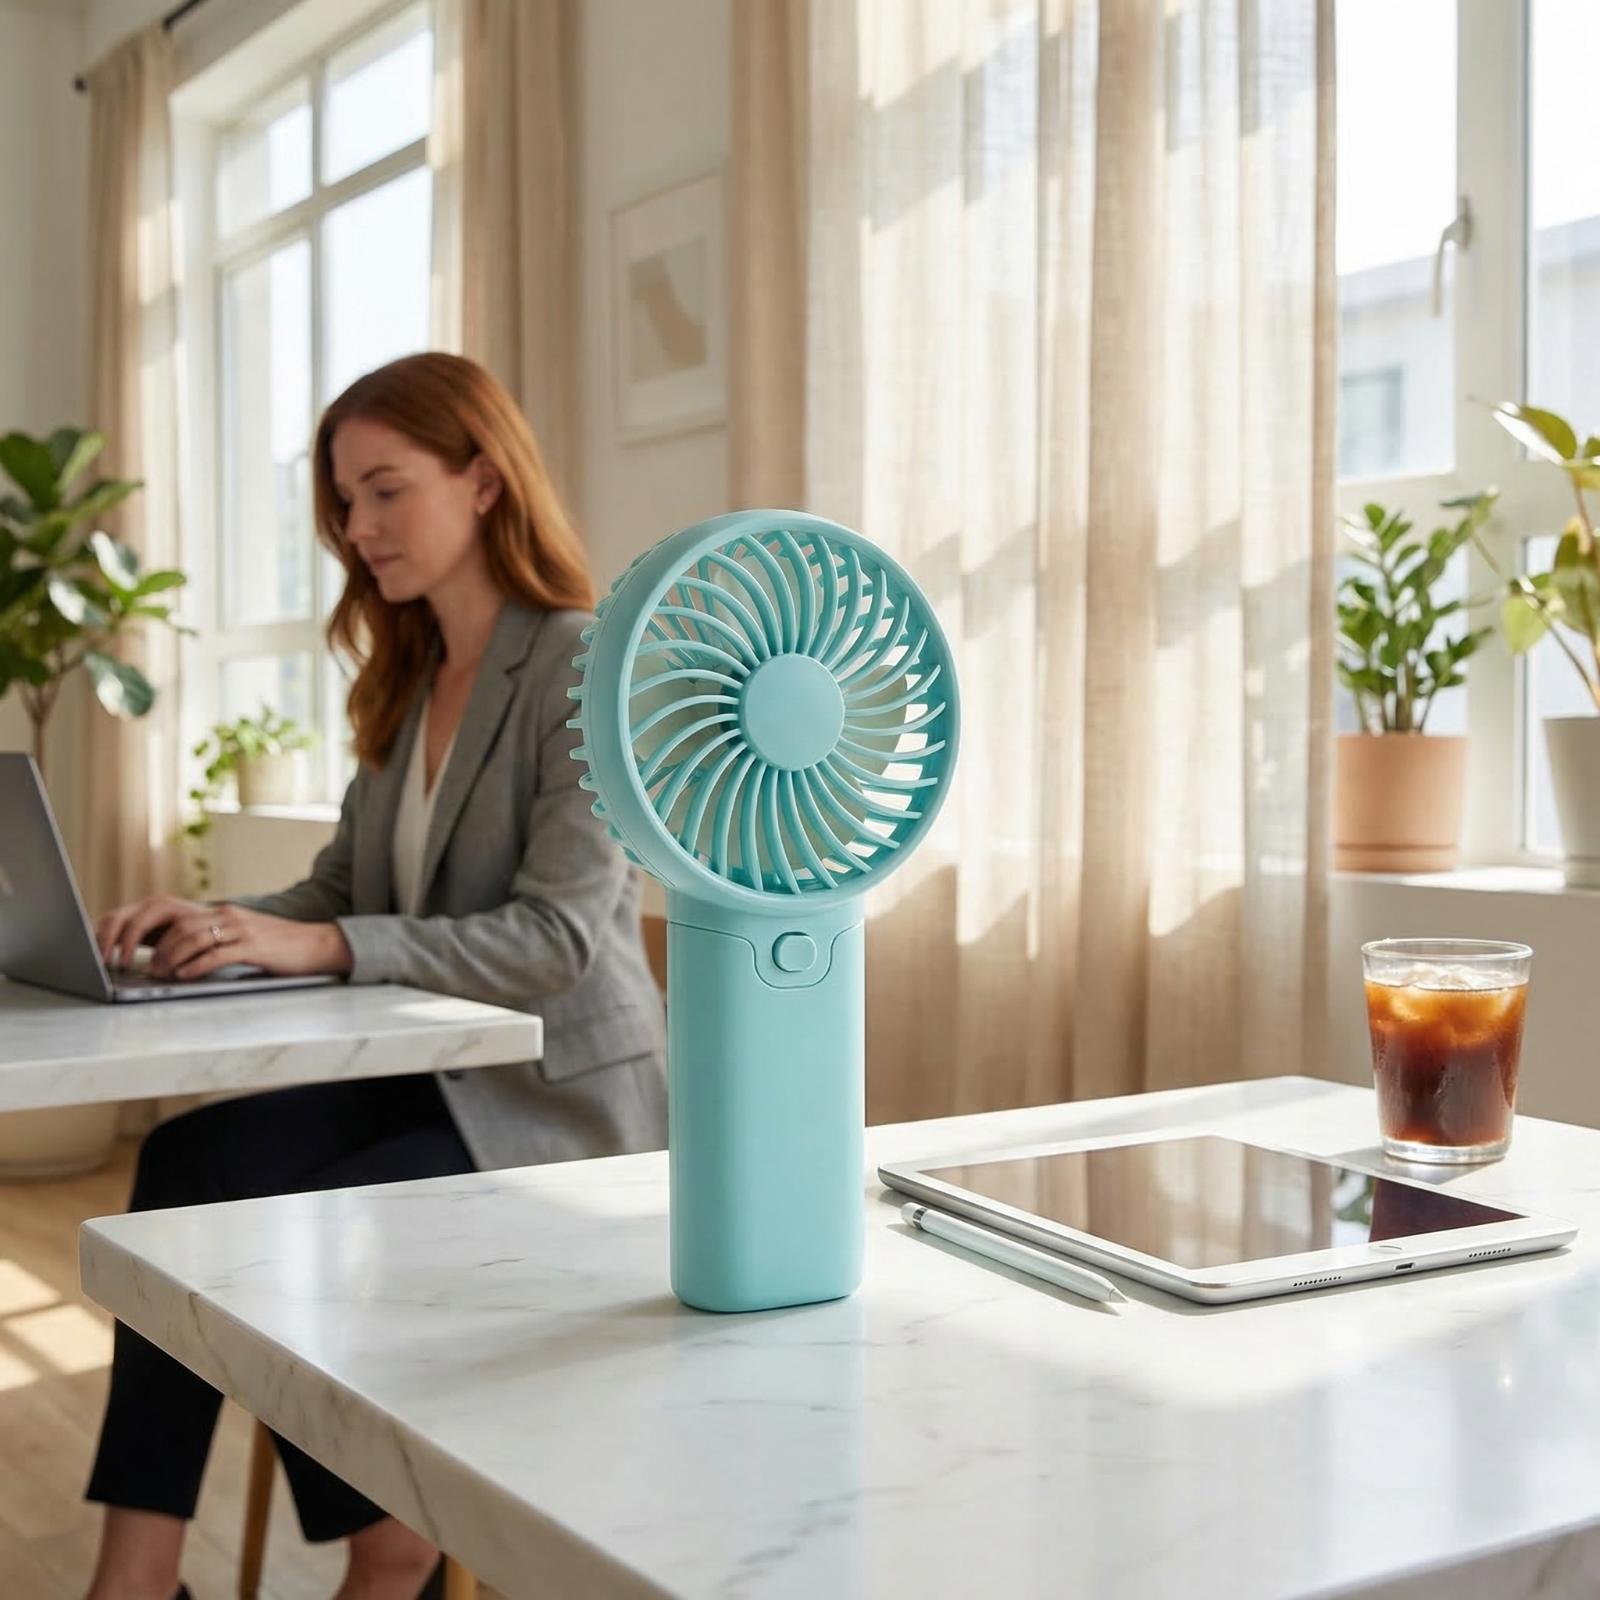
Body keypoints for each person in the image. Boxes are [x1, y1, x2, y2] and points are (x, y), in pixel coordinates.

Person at [81, 352, 666, 1600]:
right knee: (185, 1168)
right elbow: (343, 893)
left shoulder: (581, 666)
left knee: (283, 1224)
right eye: (347, 501)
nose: (358, 527)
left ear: (485, 482)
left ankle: (391, 1546)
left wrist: (327, 943)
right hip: (430, 1077)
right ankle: (136, 1577)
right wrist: (221, 921)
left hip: (555, 1110)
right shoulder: (406, 679)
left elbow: (555, 939)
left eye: (386, 490)